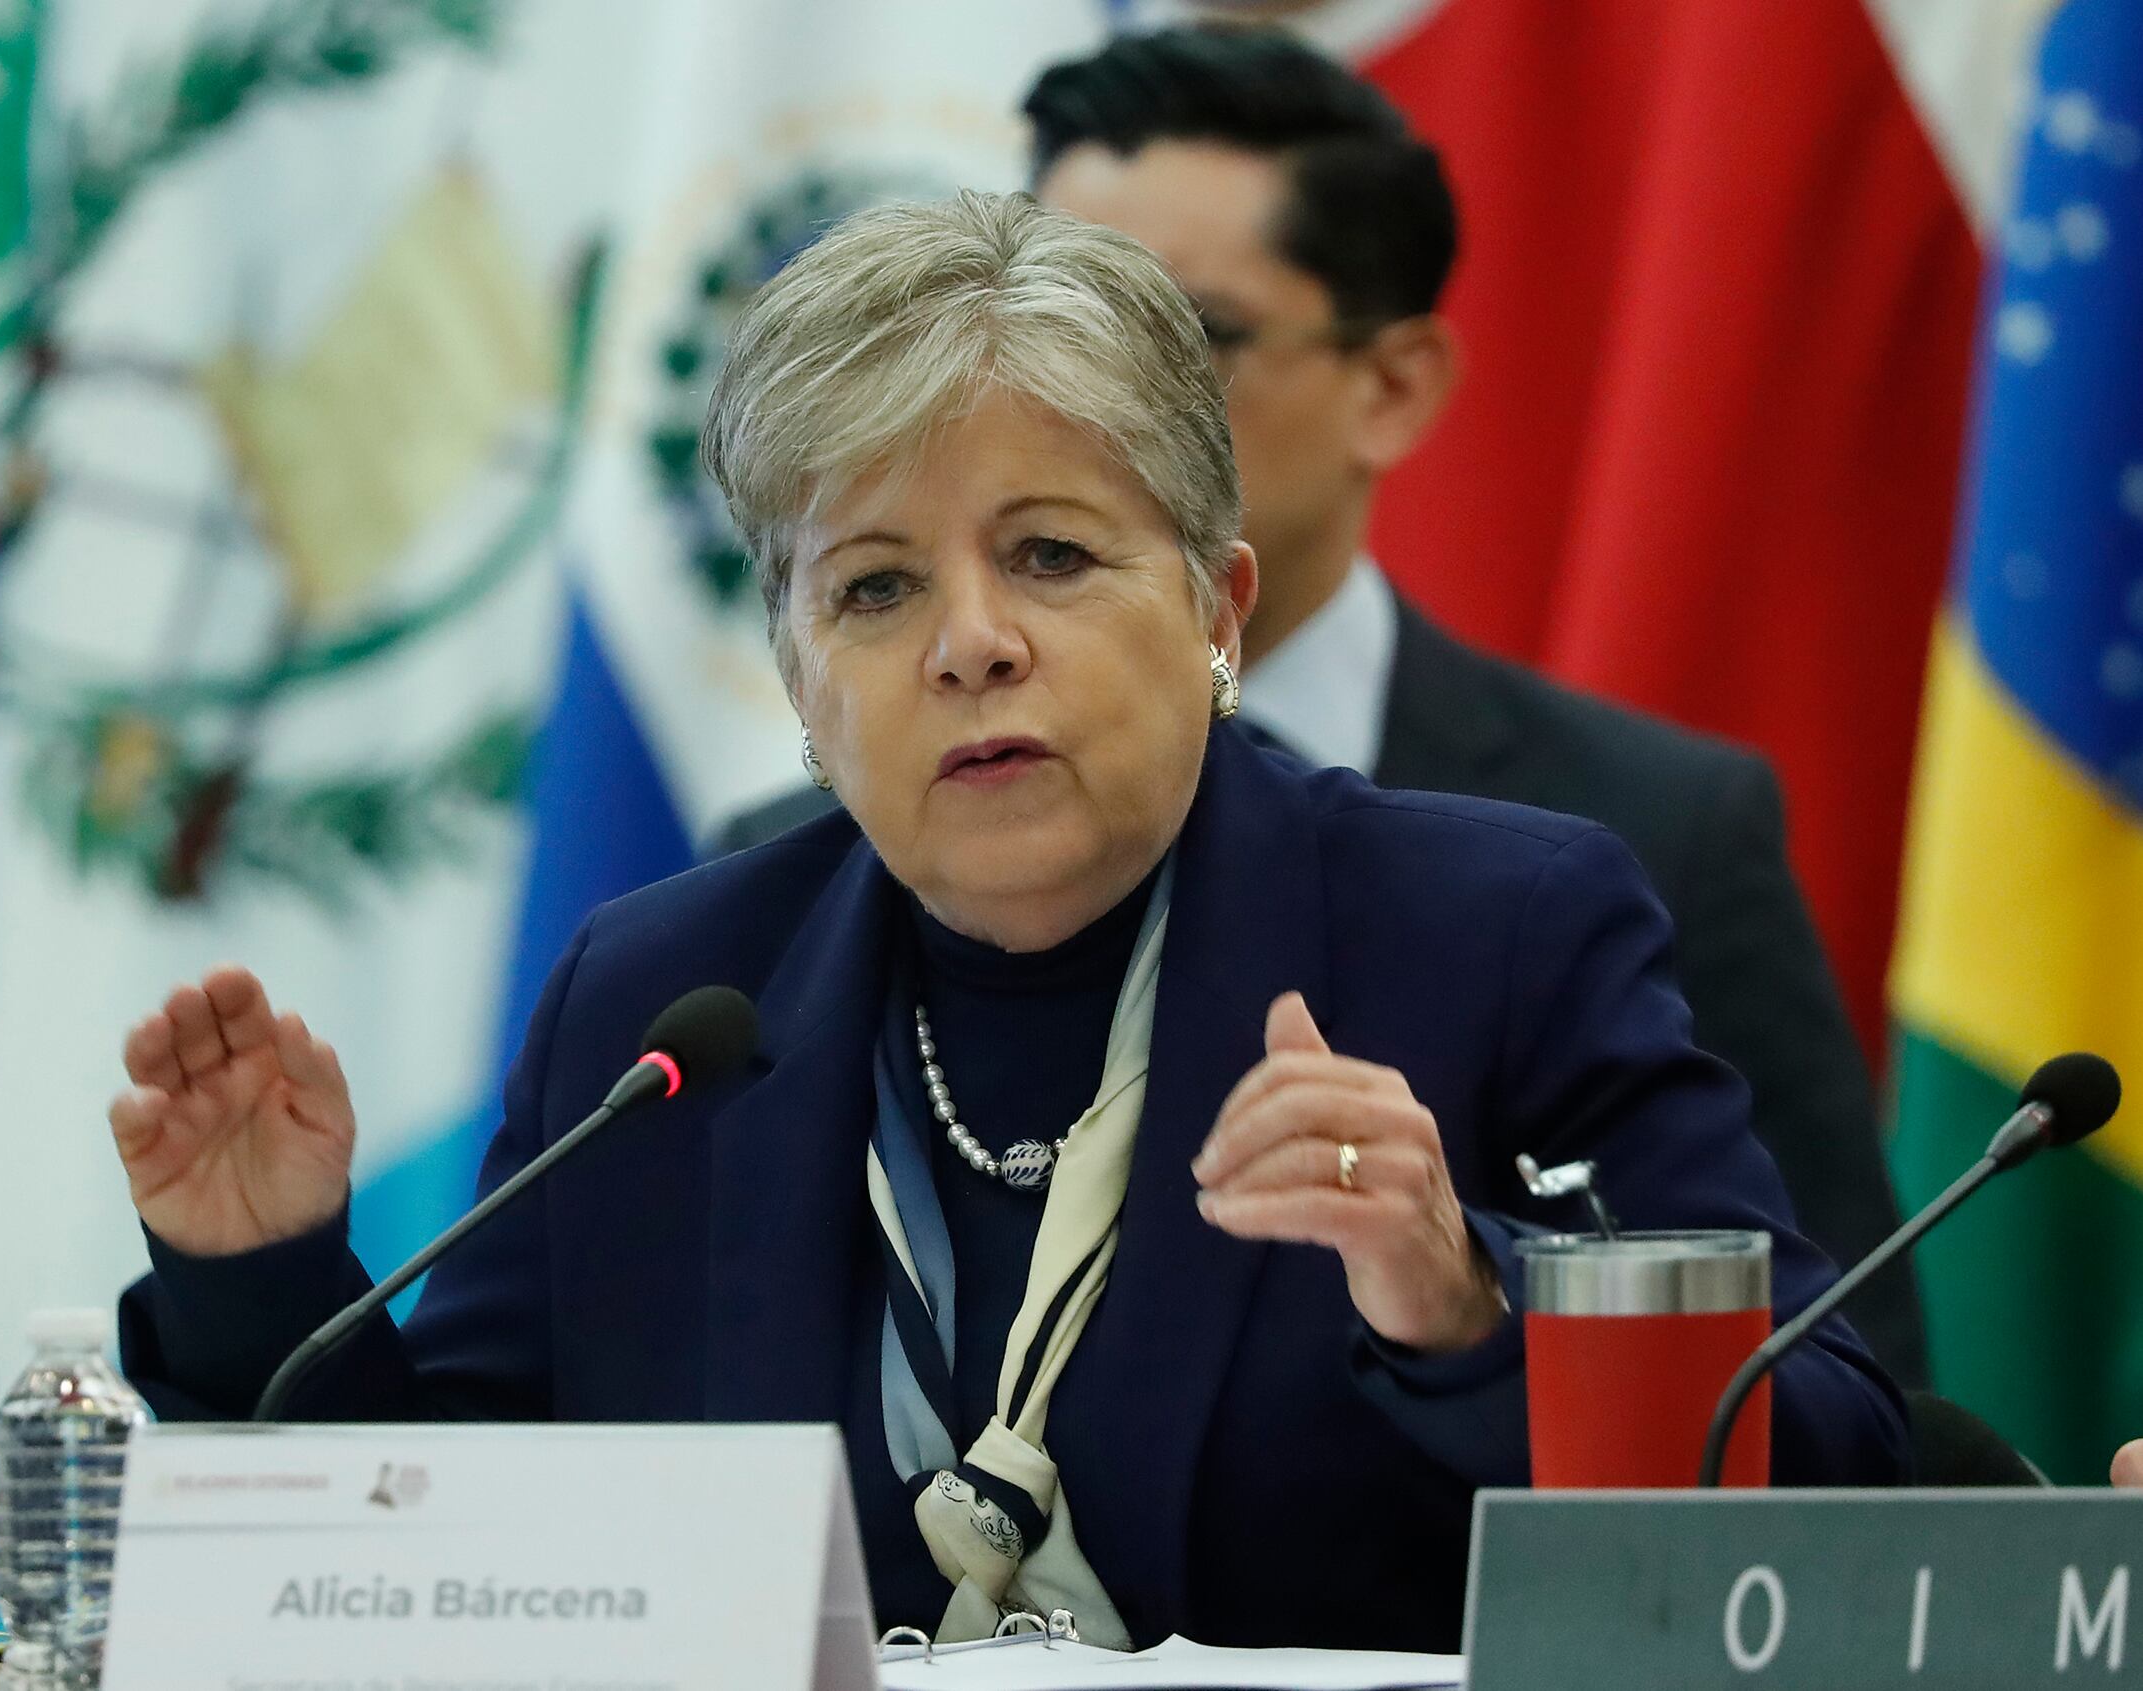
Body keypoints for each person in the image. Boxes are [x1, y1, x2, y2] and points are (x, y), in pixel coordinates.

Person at [111, 193, 1906, 1653]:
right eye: (875, 587)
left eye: (1051, 554)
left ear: (1217, 607)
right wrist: (261, 1270)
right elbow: (457, 1577)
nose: (970, 641)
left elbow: (1837, 1463)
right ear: (803, 685)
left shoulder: (1492, 931)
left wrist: (1464, 1304)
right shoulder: (665, 1008)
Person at [715, 24, 1927, 1388]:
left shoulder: (1629, 838)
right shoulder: (764, 893)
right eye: (1047, 318)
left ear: (1393, 386)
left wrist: (1475, 1293)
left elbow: (1834, 1400)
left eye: (1176, 334)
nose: (1065, 392)